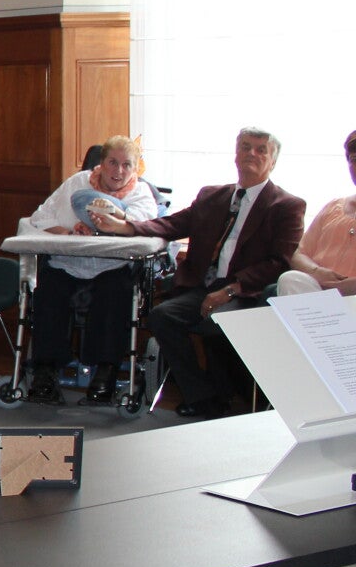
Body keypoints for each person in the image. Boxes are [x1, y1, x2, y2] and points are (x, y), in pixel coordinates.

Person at [92, 126, 305, 418]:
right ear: (236, 154)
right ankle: (203, 397)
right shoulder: (212, 196)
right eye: (245, 147)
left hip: (244, 291)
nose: (251, 154)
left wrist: (230, 290)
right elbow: (171, 225)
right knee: (162, 316)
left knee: (216, 322)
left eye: (260, 150)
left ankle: (229, 395)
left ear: (273, 161)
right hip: (202, 286)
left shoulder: (287, 206)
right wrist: (125, 226)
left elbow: (279, 262)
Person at [23, 136, 160, 404]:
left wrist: (115, 221)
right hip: (68, 262)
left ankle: (106, 371)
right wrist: (67, 232)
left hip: (112, 266)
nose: (119, 171)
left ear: (135, 168)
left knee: (115, 291)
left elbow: (145, 226)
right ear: (101, 163)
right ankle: (45, 370)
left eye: (126, 165)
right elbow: (41, 216)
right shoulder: (77, 183)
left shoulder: (141, 193)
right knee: (48, 289)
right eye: (112, 162)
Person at [277, 128, 356, 297]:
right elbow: (299, 254)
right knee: (290, 279)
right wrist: (317, 272)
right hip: (320, 293)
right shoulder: (333, 207)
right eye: (354, 159)